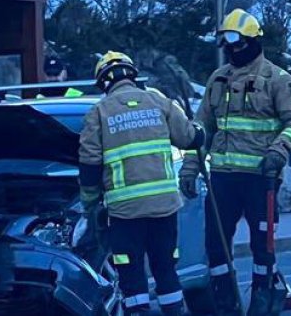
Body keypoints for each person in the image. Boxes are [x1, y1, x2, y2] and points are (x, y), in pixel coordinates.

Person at [179, 9, 291, 315]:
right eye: (228, 45)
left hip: (260, 178)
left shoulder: (277, 79)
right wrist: (190, 167)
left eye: (238, 44)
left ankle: (263, 299)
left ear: (254, 41)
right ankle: (226, 304)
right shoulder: (218, 79)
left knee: (262, 246)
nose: (233, 51)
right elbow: (202, 128)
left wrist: (278, 151)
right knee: (216, 245)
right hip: (222, 178)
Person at [78, 51, 205, 316]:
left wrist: (89, 203)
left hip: (125, 213)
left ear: (103, 83)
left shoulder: (98, 113)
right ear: (133, 75)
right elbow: (189, 138)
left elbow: (89, 165)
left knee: (131, 272)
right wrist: (199, 132)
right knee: (165, 267)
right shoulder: (159, 102)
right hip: (164, 208)